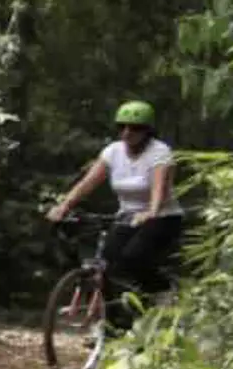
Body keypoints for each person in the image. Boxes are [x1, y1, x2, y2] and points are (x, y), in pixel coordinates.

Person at [46, 99, 185, 323]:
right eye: (122, 126)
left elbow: (160, 187)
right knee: (107, 267)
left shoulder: (159, 152)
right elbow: (88, 183)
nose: (128, 133)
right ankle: (112, 325)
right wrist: (64, 206)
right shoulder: (113, 152)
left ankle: (163, 291)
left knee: (132, 259)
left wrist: (152, 210)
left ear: (148, 131)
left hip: (163, 217)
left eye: (136, 128)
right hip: (127, 216)